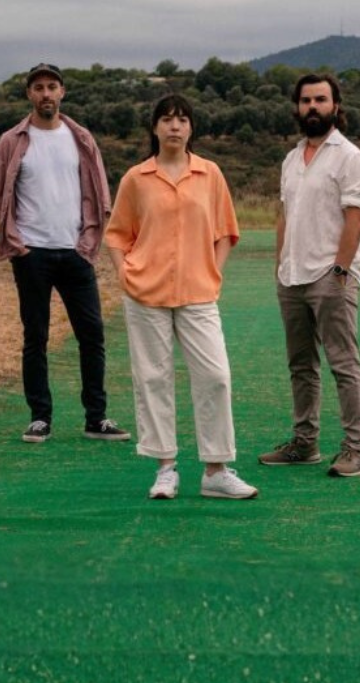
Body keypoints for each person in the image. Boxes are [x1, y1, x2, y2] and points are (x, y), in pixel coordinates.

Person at [105, 94, 258, 502]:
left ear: (191, 128)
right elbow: (117, 234)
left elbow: (226, 231)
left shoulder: (210, 174)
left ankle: (216, 471)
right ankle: (165, 469)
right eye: (167, 119)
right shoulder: (136, 178)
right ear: (154, 127)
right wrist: (123, 273)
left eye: (183, 120)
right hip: (145, 292)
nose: (175, 126)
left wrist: (213, 272)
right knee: (153, 378)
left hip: (198, 291)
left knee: (215, 376)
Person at [0, 62, 130, 445]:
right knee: (36, 336)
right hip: (32, 255)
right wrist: (18, 244)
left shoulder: (81, 138)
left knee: (92, 335)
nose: (45, 93)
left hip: (76, 252)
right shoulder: (12, 141)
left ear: (62, 92)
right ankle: (39, 418)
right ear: (29, 94)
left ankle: (96, 418)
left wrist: (88, 240)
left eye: (52, 86)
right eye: (38, 88)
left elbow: (100, 194)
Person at [259, 73, 360, 479]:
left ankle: (355, 450)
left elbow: (356, 218)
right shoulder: (292, 159)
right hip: (292, 276)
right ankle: (304, 442)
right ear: (297, 107)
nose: (313, 106)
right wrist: (280, 266)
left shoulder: (349, 157)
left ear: (335, 106)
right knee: (301, 364)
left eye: (321, 100)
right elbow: (284, 215)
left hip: (331, 276)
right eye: (306, 100)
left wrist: (340, 270)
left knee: (344, 364)